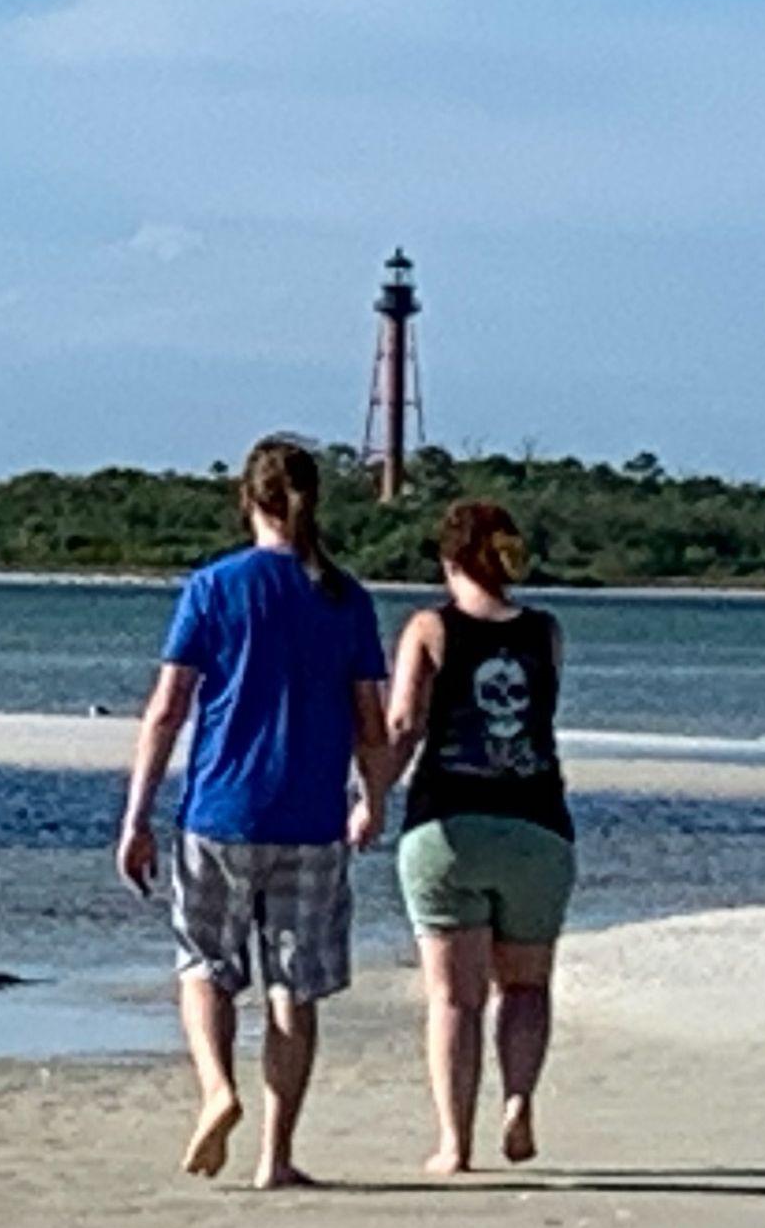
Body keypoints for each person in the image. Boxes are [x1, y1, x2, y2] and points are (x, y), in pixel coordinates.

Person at [118, 437, 392, 1189]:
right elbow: (372, 723)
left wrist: (136, 815)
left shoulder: (214, 586)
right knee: (292, 989)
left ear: (249, 501)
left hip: (221, 812)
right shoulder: (347, 599)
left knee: (204, 966)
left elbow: (168, 709)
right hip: (311, 818)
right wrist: (373, 799)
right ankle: (276, 1156)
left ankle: (217, 1088)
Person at [384, 498, 575, 1176]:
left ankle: (454, 1144)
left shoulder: (430, 628)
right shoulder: (546, 632)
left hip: (448, 824)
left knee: (455, 997)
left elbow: (404, 725)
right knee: (525, 987)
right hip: (537, 827)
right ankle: (518, 1098)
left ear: (449, 558)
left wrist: (369, 795)